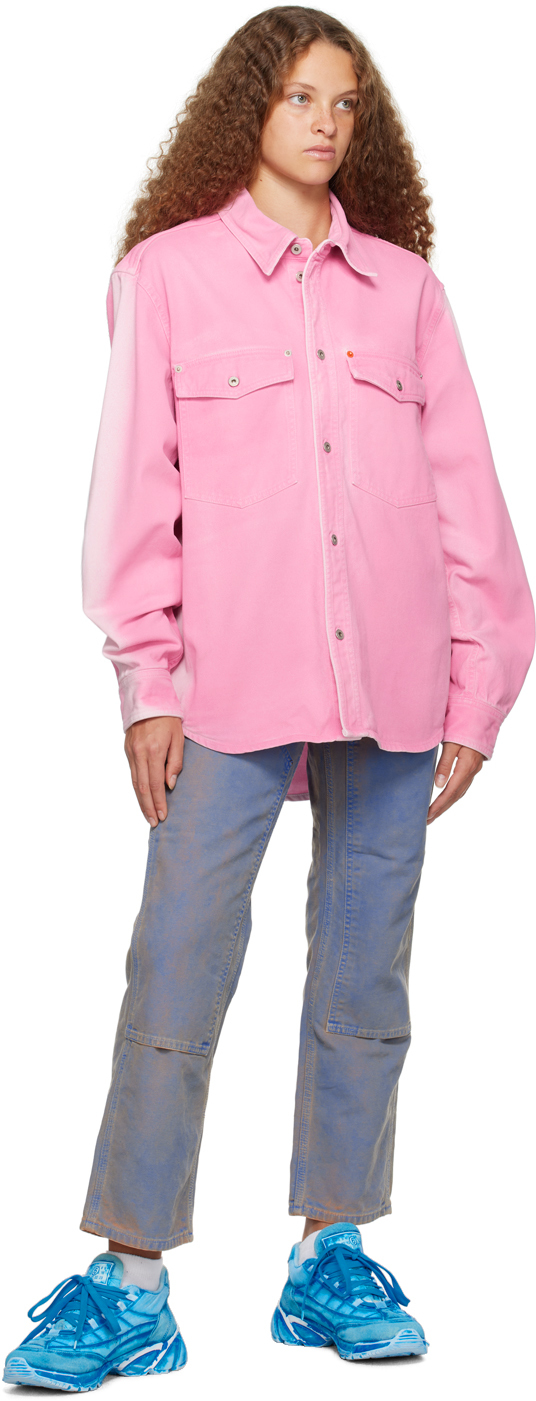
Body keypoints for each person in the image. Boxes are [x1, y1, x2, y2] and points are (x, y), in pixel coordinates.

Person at [4, 5, 534, 1389]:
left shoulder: (406, 292)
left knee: (365, 973)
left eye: (346, 102)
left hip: (397, 682)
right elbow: (136, 495)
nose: (325, 123)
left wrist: (480, 689)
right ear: (249, 105)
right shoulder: (168, 277)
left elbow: (468, 499)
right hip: (227, 685)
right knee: (176, 966)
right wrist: (147, 680)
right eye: (300, 95)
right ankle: (131, 1279)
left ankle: (330, 1254)